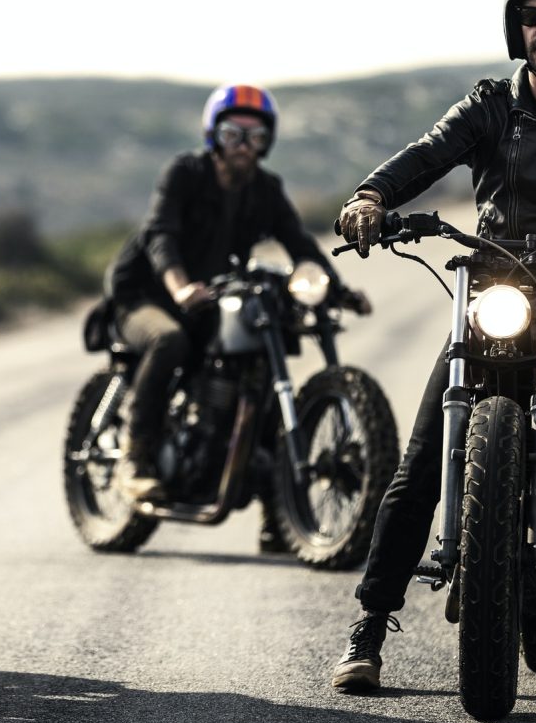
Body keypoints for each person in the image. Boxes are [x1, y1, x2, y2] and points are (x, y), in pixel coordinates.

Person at [332, 0, 536, 692]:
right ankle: (368, 626)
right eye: (531, 16)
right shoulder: (492, 104)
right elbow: (427, 154)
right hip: (497, 285)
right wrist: (372, 196)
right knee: (424, 453)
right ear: (515, 26)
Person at [105, 84, 370, 503]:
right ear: (214, 135)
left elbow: (300, 243)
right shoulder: (185, 173)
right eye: (234, 134)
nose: (244, 146)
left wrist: (337, 290)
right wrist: (178, 287)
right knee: (168, 339)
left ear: (267, 142)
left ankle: (277, 515)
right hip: (145, 295)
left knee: (258, 354)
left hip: (206, 299)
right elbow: (161, 235)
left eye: (255, 136)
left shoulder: (265, 189)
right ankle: (134, 461)